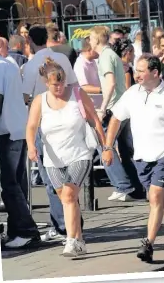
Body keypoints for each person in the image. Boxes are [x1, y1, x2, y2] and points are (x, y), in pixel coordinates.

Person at [102, 54, 164, 263]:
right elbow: (116, 119)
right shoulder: (132, 94)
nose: (137, 75)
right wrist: (108, 147)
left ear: (155, 72)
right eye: (136, 70)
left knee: (155, 198)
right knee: (163, 200)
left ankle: (148, 244)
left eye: (141, 71)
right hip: (141, 157)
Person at [26, 58, 105, 257]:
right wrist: (31, 146)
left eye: (62, 83)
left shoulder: (77, 94)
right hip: (53, 158)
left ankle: (70, 241)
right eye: (55, 84)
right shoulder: (40, 101)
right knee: (67, 200)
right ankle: (79, 240)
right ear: (46, 83)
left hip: (79, 154)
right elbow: (31, 126)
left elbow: (95, 120)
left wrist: (107, 147)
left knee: (69, 197)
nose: (59, 87)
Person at [0, 37, 41, 249]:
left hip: (4, 130)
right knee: (16, 183)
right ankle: (17, 230)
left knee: (9, 185)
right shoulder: (5, 64)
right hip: (15, 128)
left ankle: (26, 230)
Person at [90, 25, 144, 202]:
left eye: (90, 39)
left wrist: (103, 107)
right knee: (126, 149)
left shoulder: (105, 56)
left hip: (114, 107)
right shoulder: (111, 55)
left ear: (97, 40)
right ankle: (136, 187)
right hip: (122, 104)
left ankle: (123, 186)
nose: (89, 42)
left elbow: (110, 83)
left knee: (105, 145)